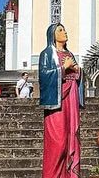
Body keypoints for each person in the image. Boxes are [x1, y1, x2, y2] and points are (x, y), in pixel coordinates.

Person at [38, 23, 84, 178]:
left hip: (71, 100)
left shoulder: (69, 53)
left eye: (64, 29)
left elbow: (76, 76)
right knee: (58, 143)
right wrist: (64, 68)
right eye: (60, 30)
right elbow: (44, 77)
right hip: (56, 103)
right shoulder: (47, 54)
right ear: (53, 35)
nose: (65, 32)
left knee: (70, 138)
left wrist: (78, 71)